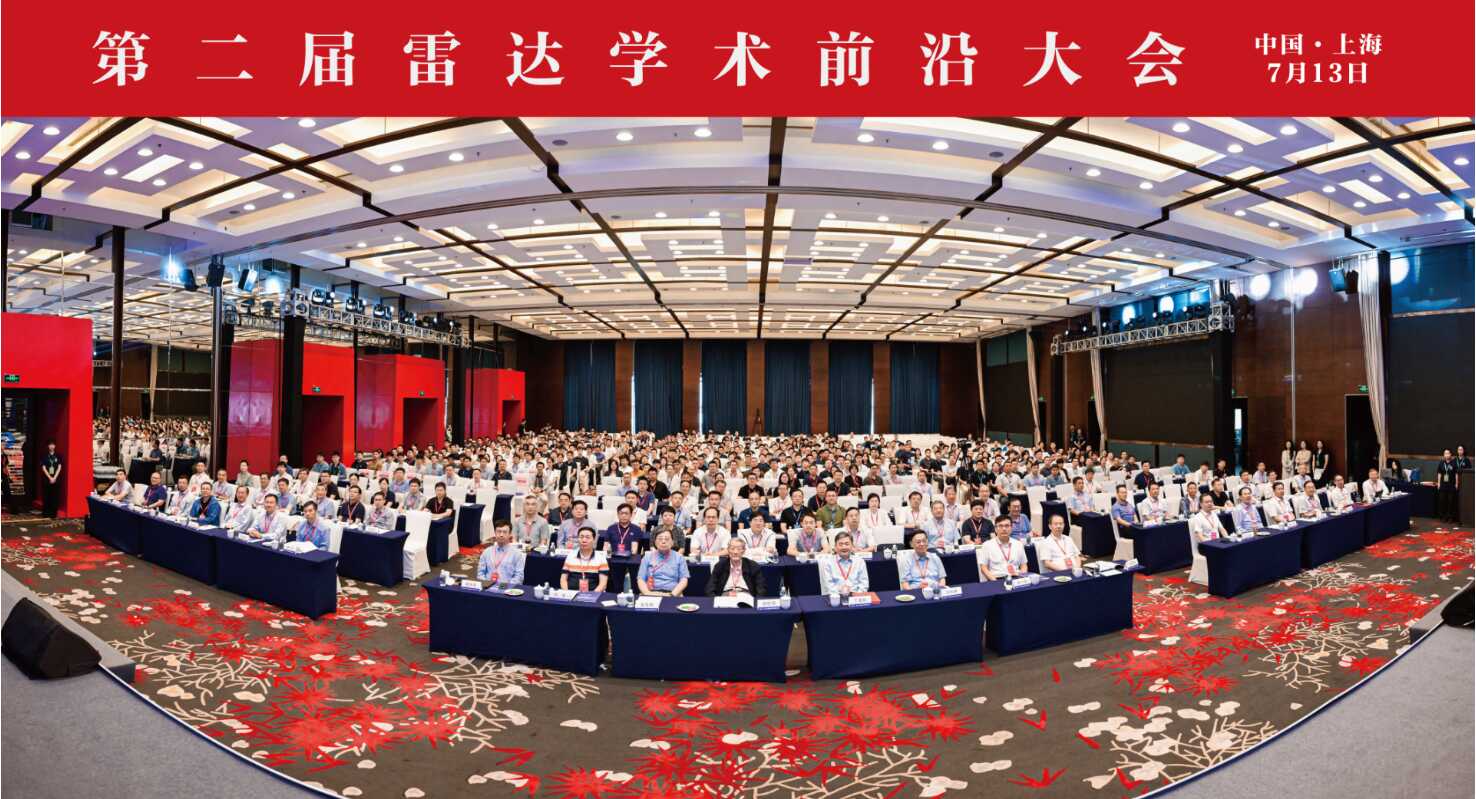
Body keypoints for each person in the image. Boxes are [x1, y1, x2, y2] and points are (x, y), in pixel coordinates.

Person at [637, 529, 690, 596]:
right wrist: (647, 593)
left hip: (672, 593)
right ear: (655, 542)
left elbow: (684, 580)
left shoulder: (679, 557)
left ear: (672, 542)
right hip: (650, 592)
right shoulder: (647, 556)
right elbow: (640, 579)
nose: (663, 541)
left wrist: (672, 594)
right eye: (660, 539)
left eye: (667, 539)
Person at [818, 531, 869, 595]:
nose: (844, 547)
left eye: (847, 544)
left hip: (856, 596)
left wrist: (857, 596)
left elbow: (864, 584)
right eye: (840, 544)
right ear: (835, 547)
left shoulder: (860, 561)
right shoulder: (828, 562)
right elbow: (829, 586)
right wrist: (839, 596)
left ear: (852, 546)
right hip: (836, 596)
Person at [978, 515, 1028, 580]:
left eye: (1007, 526)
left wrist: (1022, 578)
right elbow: (983, 568)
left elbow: (1024, 565)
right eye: (1000, 526)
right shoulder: (987, 545)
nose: (1004, 529)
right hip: (997, 579)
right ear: (995, 529)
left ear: (1011, 528)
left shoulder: (1018, 544)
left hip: (1016, 578)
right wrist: (995, 581)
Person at [478, 521, 527, 587]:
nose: (501, 535)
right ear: (495, 533)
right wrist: (486, 585)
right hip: (487, 588)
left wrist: (505, 587)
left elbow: (519, 577)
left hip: (507, 589)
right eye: (499, 531)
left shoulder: (517, 554)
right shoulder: (486, 552)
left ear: (510, 534)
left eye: (504, 532)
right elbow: (480, 573)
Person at [560, 528, 610, 592]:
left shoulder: (601, 558)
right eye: (581, 537)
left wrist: (590, 596)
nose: (584, 540)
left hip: (594, 594)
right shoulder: (571, 555)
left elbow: (603, 584)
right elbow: (563, 580)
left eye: (587, 537)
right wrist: (567, 593)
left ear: (594, 540)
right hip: (571, 594)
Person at [1436, 448, 1461, 523]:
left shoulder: (1454, 463)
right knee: (1442, 501)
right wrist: (1439, 483)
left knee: (1451, 501)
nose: (1446, 455)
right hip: (1443, 485)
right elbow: (1439, 473)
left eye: (1448, 453)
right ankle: (1443, 516)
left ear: (1450, 454)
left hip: (1451, 485)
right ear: (1444, 455)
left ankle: (1450, 517)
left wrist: (1456, 483)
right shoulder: (1441, 463)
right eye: (1445, 453)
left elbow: (1456, 474)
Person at [41, 441, 62, 517]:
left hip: (56, 479)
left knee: (54, 497)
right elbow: (43, 468)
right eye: (50, 445)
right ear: (48, 446)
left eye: (53, 445)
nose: (51, 446)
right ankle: (46, 513)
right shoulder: (44, 456)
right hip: (46, 480)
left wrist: (54, 478)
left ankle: (53, 513)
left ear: (55, 446)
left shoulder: (58, 456)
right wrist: (50, 478)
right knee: (46, 496)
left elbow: (59, 467)